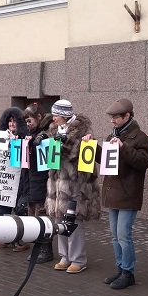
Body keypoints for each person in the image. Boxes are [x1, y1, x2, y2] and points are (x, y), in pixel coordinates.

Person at [82, 98, 148, 289]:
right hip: (113, 193)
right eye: (111, 117)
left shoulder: (140, 138)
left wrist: (124, 147)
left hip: (128, 194)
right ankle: (120, 268)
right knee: (114, 235)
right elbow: (104, 159)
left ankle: (128, 273)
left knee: (123, 235)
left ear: (127, 116)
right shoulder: (110, 136)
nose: (112, 121)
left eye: (115, 117)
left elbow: (143, 162)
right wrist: (92, 145)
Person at [45, 99, 101, 274]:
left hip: (76, 184)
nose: (53, 118)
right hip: (57, 183)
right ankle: (64, 256)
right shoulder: (54, 130)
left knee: (73, 221)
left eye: (56, 115)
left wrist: (64, 144)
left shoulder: (82, 132)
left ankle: (78, 258)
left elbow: (77, 155)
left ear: (65, 115)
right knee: (59, 219)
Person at [0, 106, 29, 251]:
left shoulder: (25, 136)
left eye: (14, 121)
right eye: (9, 121)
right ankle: (5, 236)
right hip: (3, 178)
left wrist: (18, 142)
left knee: (19, 209)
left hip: (18, 178)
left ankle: (21, 239)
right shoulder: (2, 134)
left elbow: (24, 158)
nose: (11, 124)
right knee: (2, 208)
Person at [21, 102, 54, 264]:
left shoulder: (46, 134)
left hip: (41, 182)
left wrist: (37, 141)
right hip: (31, 181)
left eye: (30, 121)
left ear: (39, 118)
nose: (28, 125)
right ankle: (39, 248)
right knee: (34, 218)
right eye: (26, 122)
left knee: (42, 218)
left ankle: (46, 249)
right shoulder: (32, 134)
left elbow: (49, 160)